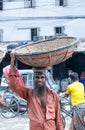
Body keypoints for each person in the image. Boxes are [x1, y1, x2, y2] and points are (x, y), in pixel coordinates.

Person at [8, 52, 64, 130]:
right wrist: (12, 60)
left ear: (45, 79)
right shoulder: (29, 94)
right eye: (37, 77)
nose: (39, 80)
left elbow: (58, 117)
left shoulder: (53, 94)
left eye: (42, 77)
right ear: (33, 79)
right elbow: (14, 85)